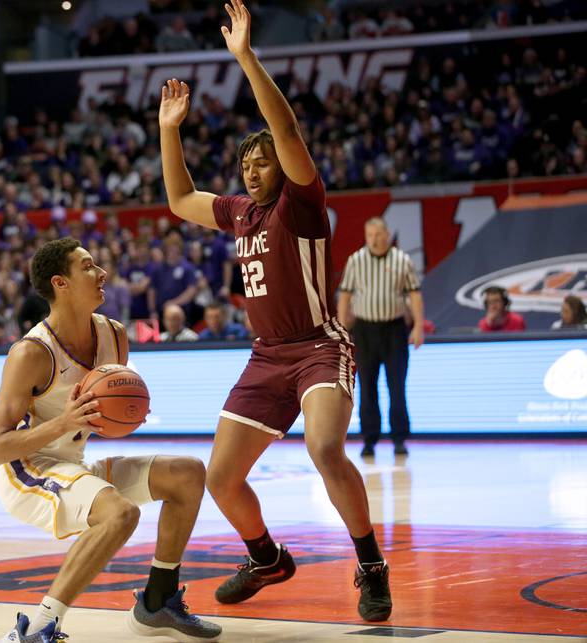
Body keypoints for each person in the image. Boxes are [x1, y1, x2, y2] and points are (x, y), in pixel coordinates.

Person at [158, 0, 391, 622]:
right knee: (221, 477)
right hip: (266, 356)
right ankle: (266, 557)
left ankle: (370, 565)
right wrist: (169, 130)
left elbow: (284, 133)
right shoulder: (239, 211)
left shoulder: (302, 202)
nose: (251, 169)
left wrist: (245, 58)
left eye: (260, 162)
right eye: (245, 163)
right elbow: (180, 198)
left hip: (320, 346)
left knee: (324, 448)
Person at [0, 238, 221, 643]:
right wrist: (64, 422)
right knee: (121, 514)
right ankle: (37, 628)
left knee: (187, 473)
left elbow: (106, 413)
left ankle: (158, 602)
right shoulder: (31, 353)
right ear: (60, 284)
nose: (102, 274)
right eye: (89, 267)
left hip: (73, 465)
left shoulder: (114, 334)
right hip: (27, 471)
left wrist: (123, 417)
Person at [337, 218, 424, 457]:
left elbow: (415, 294)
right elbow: (344, 295)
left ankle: (399, 439)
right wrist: (342, 329)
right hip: (365, 331)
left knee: (397, 387)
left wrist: (418, 326)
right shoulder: (356, 260)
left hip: (395, 330)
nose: (375, 239)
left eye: (379, 234)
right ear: (366, 237)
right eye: (370, 235)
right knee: (367, 388)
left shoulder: (402, 260)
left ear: (387, 234)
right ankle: (369, 439)